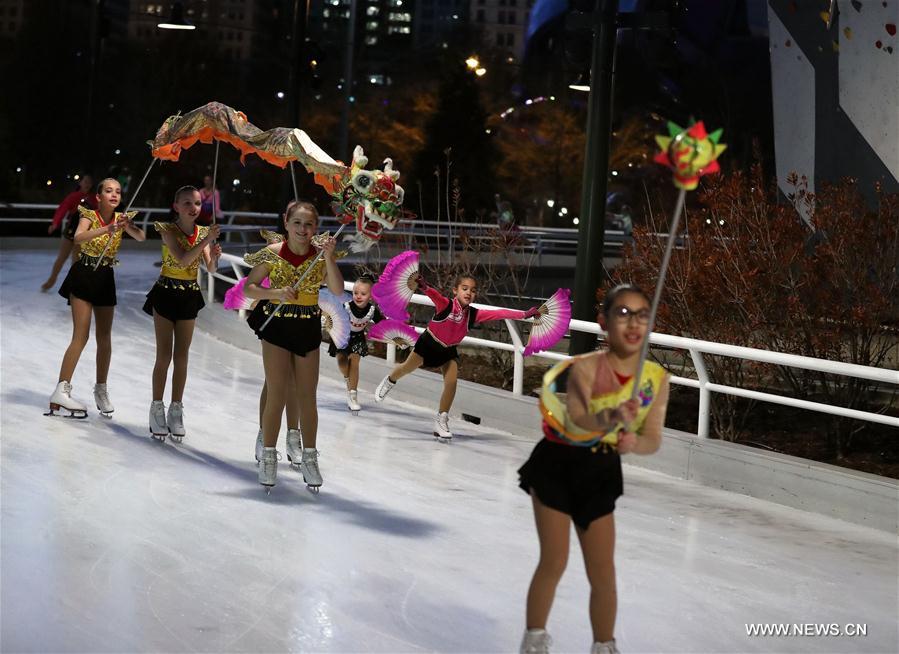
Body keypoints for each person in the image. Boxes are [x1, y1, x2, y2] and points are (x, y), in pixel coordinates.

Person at [517, 284, 670, 654]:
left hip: (600, 471)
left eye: (642, 314)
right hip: (558, 463)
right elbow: (580, 417)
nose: (634, 323)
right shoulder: (586, 368)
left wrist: (634, 443)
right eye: (623, 313)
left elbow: (652, 437)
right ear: (604, 324)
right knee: (555, 559)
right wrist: (613, 416)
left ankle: (604, 646)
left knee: (603, 573)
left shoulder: (655, 380)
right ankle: (534, 642)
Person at [242, 202, 343, 491]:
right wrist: (276, 292)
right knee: (277, 391)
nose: (302, 229)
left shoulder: (320, 257)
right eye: (297, 223)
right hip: (277, 326)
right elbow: (249, 287)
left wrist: (330, 258)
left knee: (307, 396)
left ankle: (310, 457)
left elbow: (337, 290)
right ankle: (269, 456)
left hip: (307, 327)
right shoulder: (273, 254)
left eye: (308, 224)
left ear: (316, 227)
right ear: (286, 223)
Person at [374, 273, 540, 440]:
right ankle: (390, 380)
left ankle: (441, 419)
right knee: (406, 368)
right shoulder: (445, 305)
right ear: (455, 290)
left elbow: (499, 313)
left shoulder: (474, 314)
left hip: (448, 350)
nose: (469, 293)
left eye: (473, 290)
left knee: (452, 382)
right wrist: (424, 286)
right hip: (429, 344)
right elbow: (434, 295)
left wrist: (524, 314)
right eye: (465, 288)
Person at [47, 178, 146, 417]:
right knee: (80, 336)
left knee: (105, 337)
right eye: (108, 191)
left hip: (105, 278)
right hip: (83, 274)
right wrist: (107, 229)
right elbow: (79, 238)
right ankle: (61, 389)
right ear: (99, 197)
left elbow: (141, 237)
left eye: (118, 192)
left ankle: (101, 389)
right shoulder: (88, 214)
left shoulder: (122, 218)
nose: (114, 194)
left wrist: (127, 226)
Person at [143, 186, 222, 442]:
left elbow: (208, 268)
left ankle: (175, 409)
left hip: (189, 296)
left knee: (183, 356)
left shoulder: (202, 232)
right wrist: (206, 241)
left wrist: (214, 257)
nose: (193, 208)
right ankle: (157, 407)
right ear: (176, 206)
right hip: (165, 294)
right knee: (164, 355)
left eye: (197, 203)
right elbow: (184, 259)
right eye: (186, 203)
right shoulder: (167, 230)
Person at [328, 274, 384, 413]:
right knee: (342, 362)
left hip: (358, 338)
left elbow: (383, 324)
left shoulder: (372, 310)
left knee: (355, 362)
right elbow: (334, 317)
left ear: (371, 295)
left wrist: (394, 330)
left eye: (363, 294)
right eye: (355, 293)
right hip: (342, 337)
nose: (358, 296)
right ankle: (348, 379)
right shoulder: (345, 306)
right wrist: (328, 321)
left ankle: (353, 395)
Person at [41, 175, 96, 291]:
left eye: (89, 183)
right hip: (71, 231)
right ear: (80, 183)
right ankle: (51, 280)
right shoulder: (73, 196)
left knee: (76, 262)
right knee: (62, 257)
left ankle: (75, 286)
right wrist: (55, 223)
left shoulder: (94, 199)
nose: (87, 184)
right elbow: (62, 209)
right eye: (85, 181)